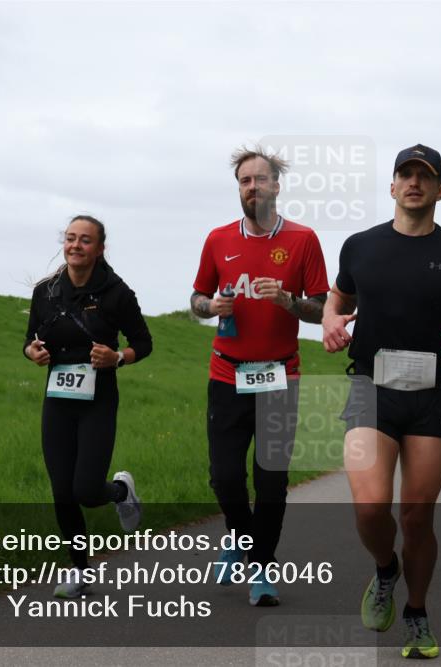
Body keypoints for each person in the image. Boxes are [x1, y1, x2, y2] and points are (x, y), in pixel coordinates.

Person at [322, 144, 441, 659]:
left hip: (432, 395)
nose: (414, 182)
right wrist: (332, 319)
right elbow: (340, 297)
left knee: (417, 515)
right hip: (370, 388)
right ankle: (385, 570)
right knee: (371, 505)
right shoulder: (359, 246)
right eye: (405, 174)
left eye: (425, 176)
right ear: (393, 186)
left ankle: (416, 611)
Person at [190, 146, 329, 607]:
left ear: (276, 185)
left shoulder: (303, 239)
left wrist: (288, 301)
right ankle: (239, 538)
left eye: (260, 179)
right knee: (225, 478)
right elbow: (196, 299)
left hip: (279, 376)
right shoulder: (217, 239)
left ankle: (262, 568)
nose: (252, 187)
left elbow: (322, 310)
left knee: (270, 480)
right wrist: (210, 307)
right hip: (227, 375)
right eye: (244, 181)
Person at [23, 215, 152, 598]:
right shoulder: (46, 292)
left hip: (98, 399)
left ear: (99, 249)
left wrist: (118, 357)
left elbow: (143, 343)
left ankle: (119, 492)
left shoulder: (116, 293)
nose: (75, 246)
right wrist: (32, 352)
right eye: (70, 239)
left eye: (85, 241)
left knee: (85, 489)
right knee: (62, 491)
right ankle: (80, 571)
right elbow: (29, 339)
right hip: (58, 399)